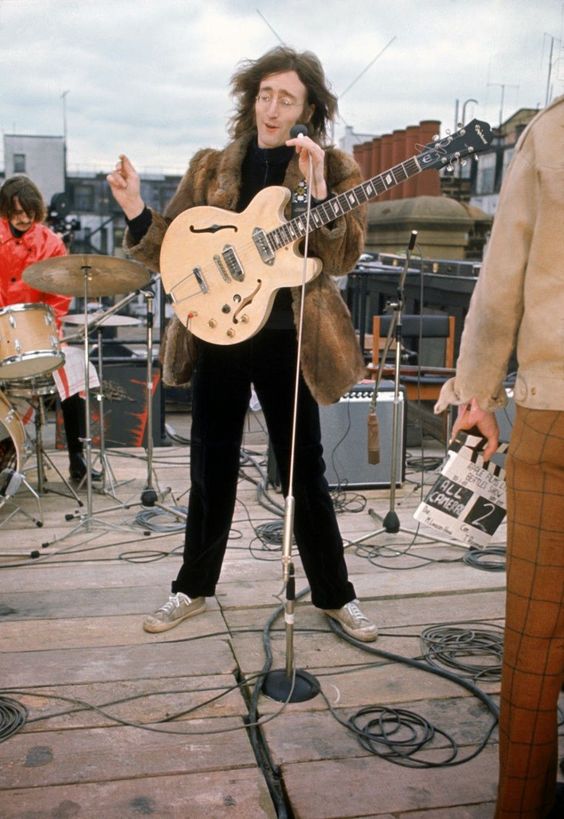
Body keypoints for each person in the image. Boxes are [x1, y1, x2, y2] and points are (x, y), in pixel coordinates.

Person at [107, 45, 378, 642]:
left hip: (291, 338)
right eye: (264, 94)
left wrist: (314, 189)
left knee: (303, 470)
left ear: (309, 109)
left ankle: (336, 595)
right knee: (211, 465)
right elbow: (170, 254)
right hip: (220, 334)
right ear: (250, 100)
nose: (272, 108)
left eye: (287, 98)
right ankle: (193, 587)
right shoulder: (211, 168)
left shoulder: (331, 168)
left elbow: (343, 256)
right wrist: (133, 209)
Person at [435, 97, 564, 818]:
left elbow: (501, 283)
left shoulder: (549, 133)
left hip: (552, 412)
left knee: (535, 640)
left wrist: (478, 392)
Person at [0, 175, 101, 484]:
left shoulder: (51, 243)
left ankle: (78, 458)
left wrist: (50, 330)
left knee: (75, 366)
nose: (23, 217)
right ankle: (6, 454)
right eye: (16, 211)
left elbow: (58, 295)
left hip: (40, 333)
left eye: (28, 210)